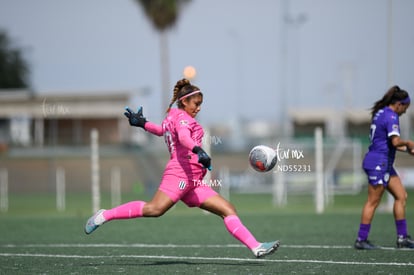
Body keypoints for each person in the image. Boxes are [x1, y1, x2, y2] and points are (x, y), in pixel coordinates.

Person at [84, 78, 279, 258]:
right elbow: (184, 138)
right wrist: (198, 150)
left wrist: (143, 123)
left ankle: (256, 247)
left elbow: (162, 131)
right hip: (179, 175)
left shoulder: (173, 117)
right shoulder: (184, 120)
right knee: (155, 209)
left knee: (228, 209)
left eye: (201, 104)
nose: (199, 108)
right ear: (184, 102)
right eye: (196, 104)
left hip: (193, 181)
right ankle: (104, 215)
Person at [354, 85, 414, 250]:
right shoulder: (391, 116)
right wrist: (408, 143)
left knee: (401, 196)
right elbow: (395, 142)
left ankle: (402, 238)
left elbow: (388, 143)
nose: (405, 111)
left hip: (382, 162)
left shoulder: (381, 113)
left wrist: (407, 150)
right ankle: (361, 239)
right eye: (405, 108)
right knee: (373, 201)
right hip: (378, 163)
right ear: (399, 104)